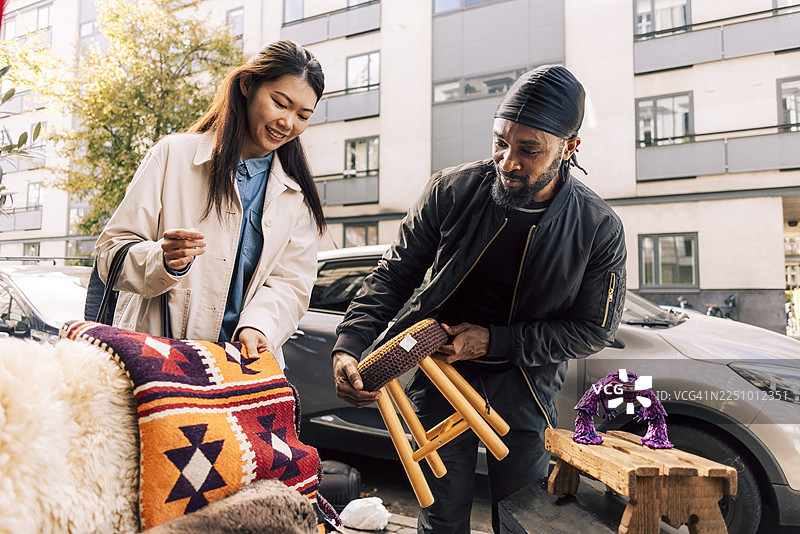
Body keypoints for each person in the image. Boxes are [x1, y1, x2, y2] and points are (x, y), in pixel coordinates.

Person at [331, 65, 627, 533]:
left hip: (525, 384)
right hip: (438, 370)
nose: (508, 161)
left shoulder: (598, 226)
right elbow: (394, 274)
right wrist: (350, 342)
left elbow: (595, 329)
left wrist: (494, 341)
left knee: (521, 514)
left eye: (529, 150)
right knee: (441, 514)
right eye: (500, 142)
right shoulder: (451, 190)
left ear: (569, 148)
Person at [95, 40, 325, 369]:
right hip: (152, 365)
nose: (289, 122)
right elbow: (109, 254)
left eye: (303, 115)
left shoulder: (295, 195)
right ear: (247, 86)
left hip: (239, 371)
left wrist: (259, 326)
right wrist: (163, 260)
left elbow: (291, 285)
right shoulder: (172, 155)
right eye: (279, 103)